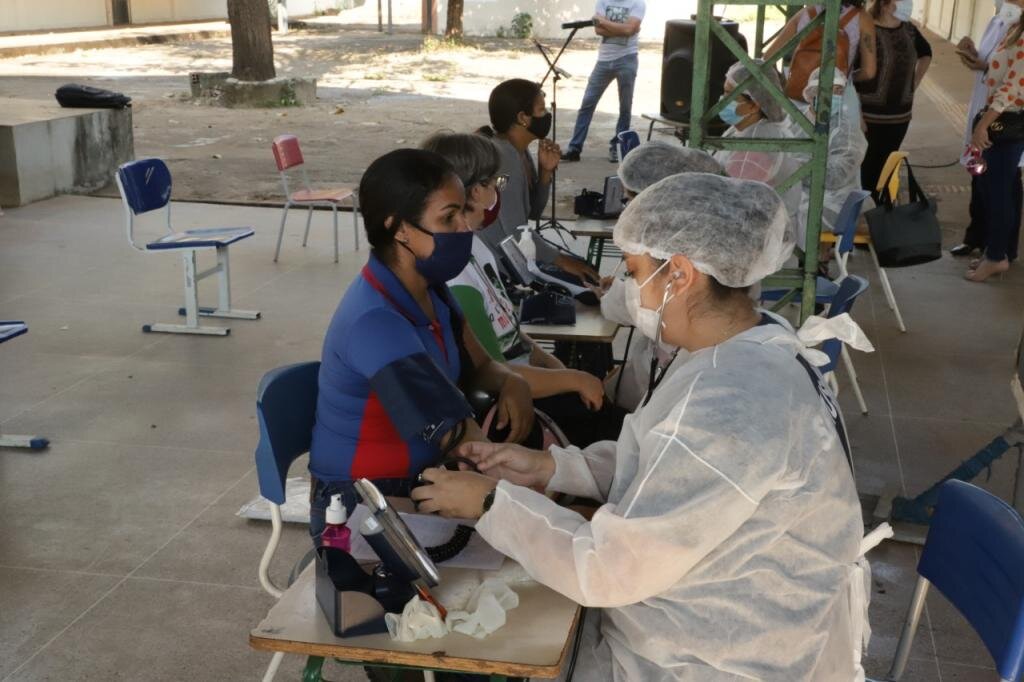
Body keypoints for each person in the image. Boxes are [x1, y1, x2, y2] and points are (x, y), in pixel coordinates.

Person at [411, 172, 863, 680]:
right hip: (701, 612)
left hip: (711, 658)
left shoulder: (732, 402)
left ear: (681, 275)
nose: (630, 290)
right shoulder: (746, 344)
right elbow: (663, 458)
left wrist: (492, 503)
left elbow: (609, 570)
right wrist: (549, 468)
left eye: (634, 270)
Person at [307, 148, 537, 539]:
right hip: (362, 500)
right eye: (448, 218)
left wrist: (513, 381)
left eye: (463, 211)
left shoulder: (431, 291)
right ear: (399, 229)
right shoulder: (375, 321)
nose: (466, 227)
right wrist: (525, 490)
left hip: (421, 477)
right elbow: (456, 434)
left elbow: (481, 365)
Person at [421, 131, 622, 446]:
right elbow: (493, 369)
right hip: (511, 399)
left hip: (528, 379)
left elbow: (511, 332)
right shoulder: (456, 277)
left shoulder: (475, 246)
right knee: (616, 435)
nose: (497, 193)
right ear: (469, 191)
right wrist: (572, 378)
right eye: (493, 184)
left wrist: (556, 367)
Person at [593, 140, 725, 411]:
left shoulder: (667, 254)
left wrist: (612, 295)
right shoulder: (720, 242)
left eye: (633, 272)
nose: (628, 209)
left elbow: (631, 304)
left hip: (666, 390)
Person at [478, 79, 599, 285]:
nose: (547, 117)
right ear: (523, 118)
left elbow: (532, 212)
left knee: (582, 269)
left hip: (512, 251)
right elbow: (516, 231)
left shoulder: (519, 151)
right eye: (542, 111)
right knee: (583, 277)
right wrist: (560, 260)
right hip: (499, 262)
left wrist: (545, 173)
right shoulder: (504, 160)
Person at [951, 0, 1021, 258]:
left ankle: (1000, 250)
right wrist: (973, 54)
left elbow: (1013, 82)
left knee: (1003, 185)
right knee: (979, 175)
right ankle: (977, 237)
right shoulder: (998, 20)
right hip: (985, 107)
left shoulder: (1019, 28)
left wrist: (984, 124)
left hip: (1005, 119)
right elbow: (991, 63)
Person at [967, 1, 1024, 282]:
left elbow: (1011, 88)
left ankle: (997, 257)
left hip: (1007, 123)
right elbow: (998, 71)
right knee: (992, 188)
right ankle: (994, 250)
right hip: (999, 118)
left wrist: (984, 125)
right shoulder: (1012, 29)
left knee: (999, 192)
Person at [855, 0, 932, 202]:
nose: (909, 4)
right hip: (869, 116)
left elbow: (926, 53)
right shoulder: (866, 27)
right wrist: (856, 112)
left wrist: (914, 83)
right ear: (886, 4)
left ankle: (882, 212)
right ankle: (865, 212)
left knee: (887, 165)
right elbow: (850, 72)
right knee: (866, 168)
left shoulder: (909, 30)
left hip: (900, 116)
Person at [713, 60, 803, 227]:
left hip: (756, 232)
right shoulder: (742, 129)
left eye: (729, 95)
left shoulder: (759, 140)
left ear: (754, 105)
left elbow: (730, 200)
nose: (722, 100)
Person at [559, 0, 646, 164]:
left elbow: (629, 29)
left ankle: (617, 147)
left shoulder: (638, 3)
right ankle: (574, 148)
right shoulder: (603, 2)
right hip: (604, 61)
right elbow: (599, 30)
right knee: (587, 103)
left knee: (625, 107)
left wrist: (605, 23)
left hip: (627, 59)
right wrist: (622, 29)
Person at [795, 68, 869, 244]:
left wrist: (790, 168)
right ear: (812, 93)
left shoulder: (846, 131)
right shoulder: (796, 119)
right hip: (800, 193)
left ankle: (806, 266)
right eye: (828, 90)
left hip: (833, 202)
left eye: (838, 91)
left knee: (788, 218)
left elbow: (834, 177)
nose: (833, 96)